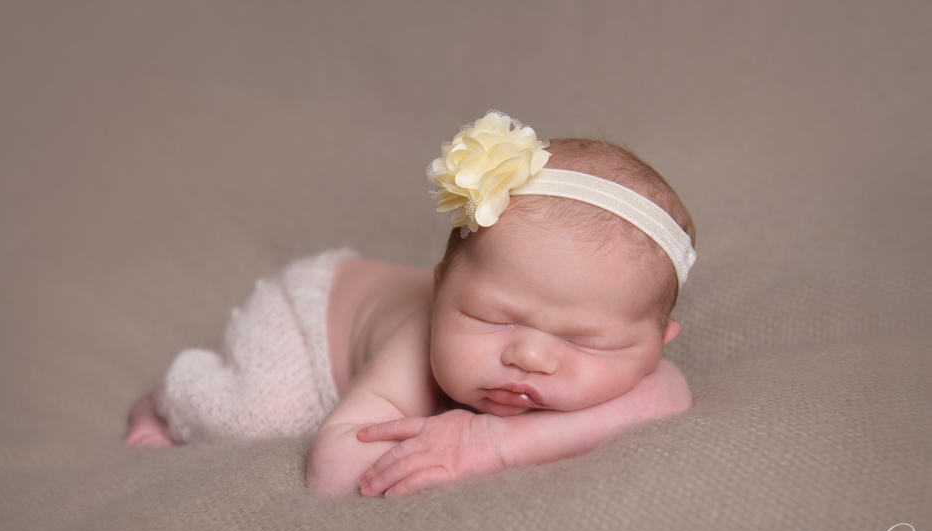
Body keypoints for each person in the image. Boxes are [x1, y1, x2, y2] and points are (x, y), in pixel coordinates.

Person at [126, 111, 697, 498]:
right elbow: (333, 469)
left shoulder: (639, 368)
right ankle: (169, 399)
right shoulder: (415, 347)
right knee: (255, 416)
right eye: (492, 317)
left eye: (583, 340)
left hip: (365, 291)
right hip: (308, 318)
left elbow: (669, 395)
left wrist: (491, 445)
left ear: (655, 346)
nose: (528, 355)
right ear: (441, 287)